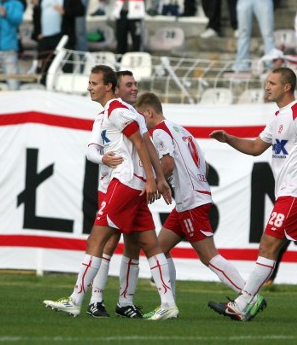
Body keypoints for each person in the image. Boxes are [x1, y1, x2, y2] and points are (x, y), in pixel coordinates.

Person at [208, 66, 297, 324]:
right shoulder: (278, 117)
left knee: (268, 244)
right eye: (267, 82)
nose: (267, 87)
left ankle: (242, 304)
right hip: (293, 194)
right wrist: (229, 138)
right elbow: (255, 147)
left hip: (296, 193)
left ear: (286, 87)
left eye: (272, 83)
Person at [43, 65, 179, 321]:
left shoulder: (116, 110)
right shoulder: (126, 111)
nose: (89, 88)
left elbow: (140, 143)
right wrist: (157, 180)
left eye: (94, 83)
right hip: (136, 184)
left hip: (125, 182)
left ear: (108, 87)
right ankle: (168, 303)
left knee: (96, 239)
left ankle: (75, 300)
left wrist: (152, 180)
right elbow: (146, 142)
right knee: (150, 245)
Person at [134, 91, 267, 320]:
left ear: (149, 112)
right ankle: (169, 305)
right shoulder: (181, 130)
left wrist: (154, 183)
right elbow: (204, 167)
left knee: (209, 257)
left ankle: (250, 296)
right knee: (157, 249)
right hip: (189, 201)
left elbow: (167, 163)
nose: (139, 124)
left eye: (140, 117)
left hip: (191, 202)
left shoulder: (158, 132)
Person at [84, 70, 173, 319]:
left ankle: (125, 301)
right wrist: (103, 157)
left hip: (132, 185)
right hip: (111, 185)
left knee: (135, 244)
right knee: (108, 242)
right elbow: (91, 149)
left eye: (135, 84)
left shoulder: (134, 116)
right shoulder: (106, 115)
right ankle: (95, 299)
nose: (134, 88)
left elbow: (147, 147)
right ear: (116, 88)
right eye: (129, 85)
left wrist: (158, 178)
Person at [32, 0, 85, 84]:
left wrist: (65, 11)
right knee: (43, 71)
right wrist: (37, 33)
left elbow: (81, 10)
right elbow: (36, 13)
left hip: (63, 38)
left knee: (66, 70)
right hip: (45, 38)